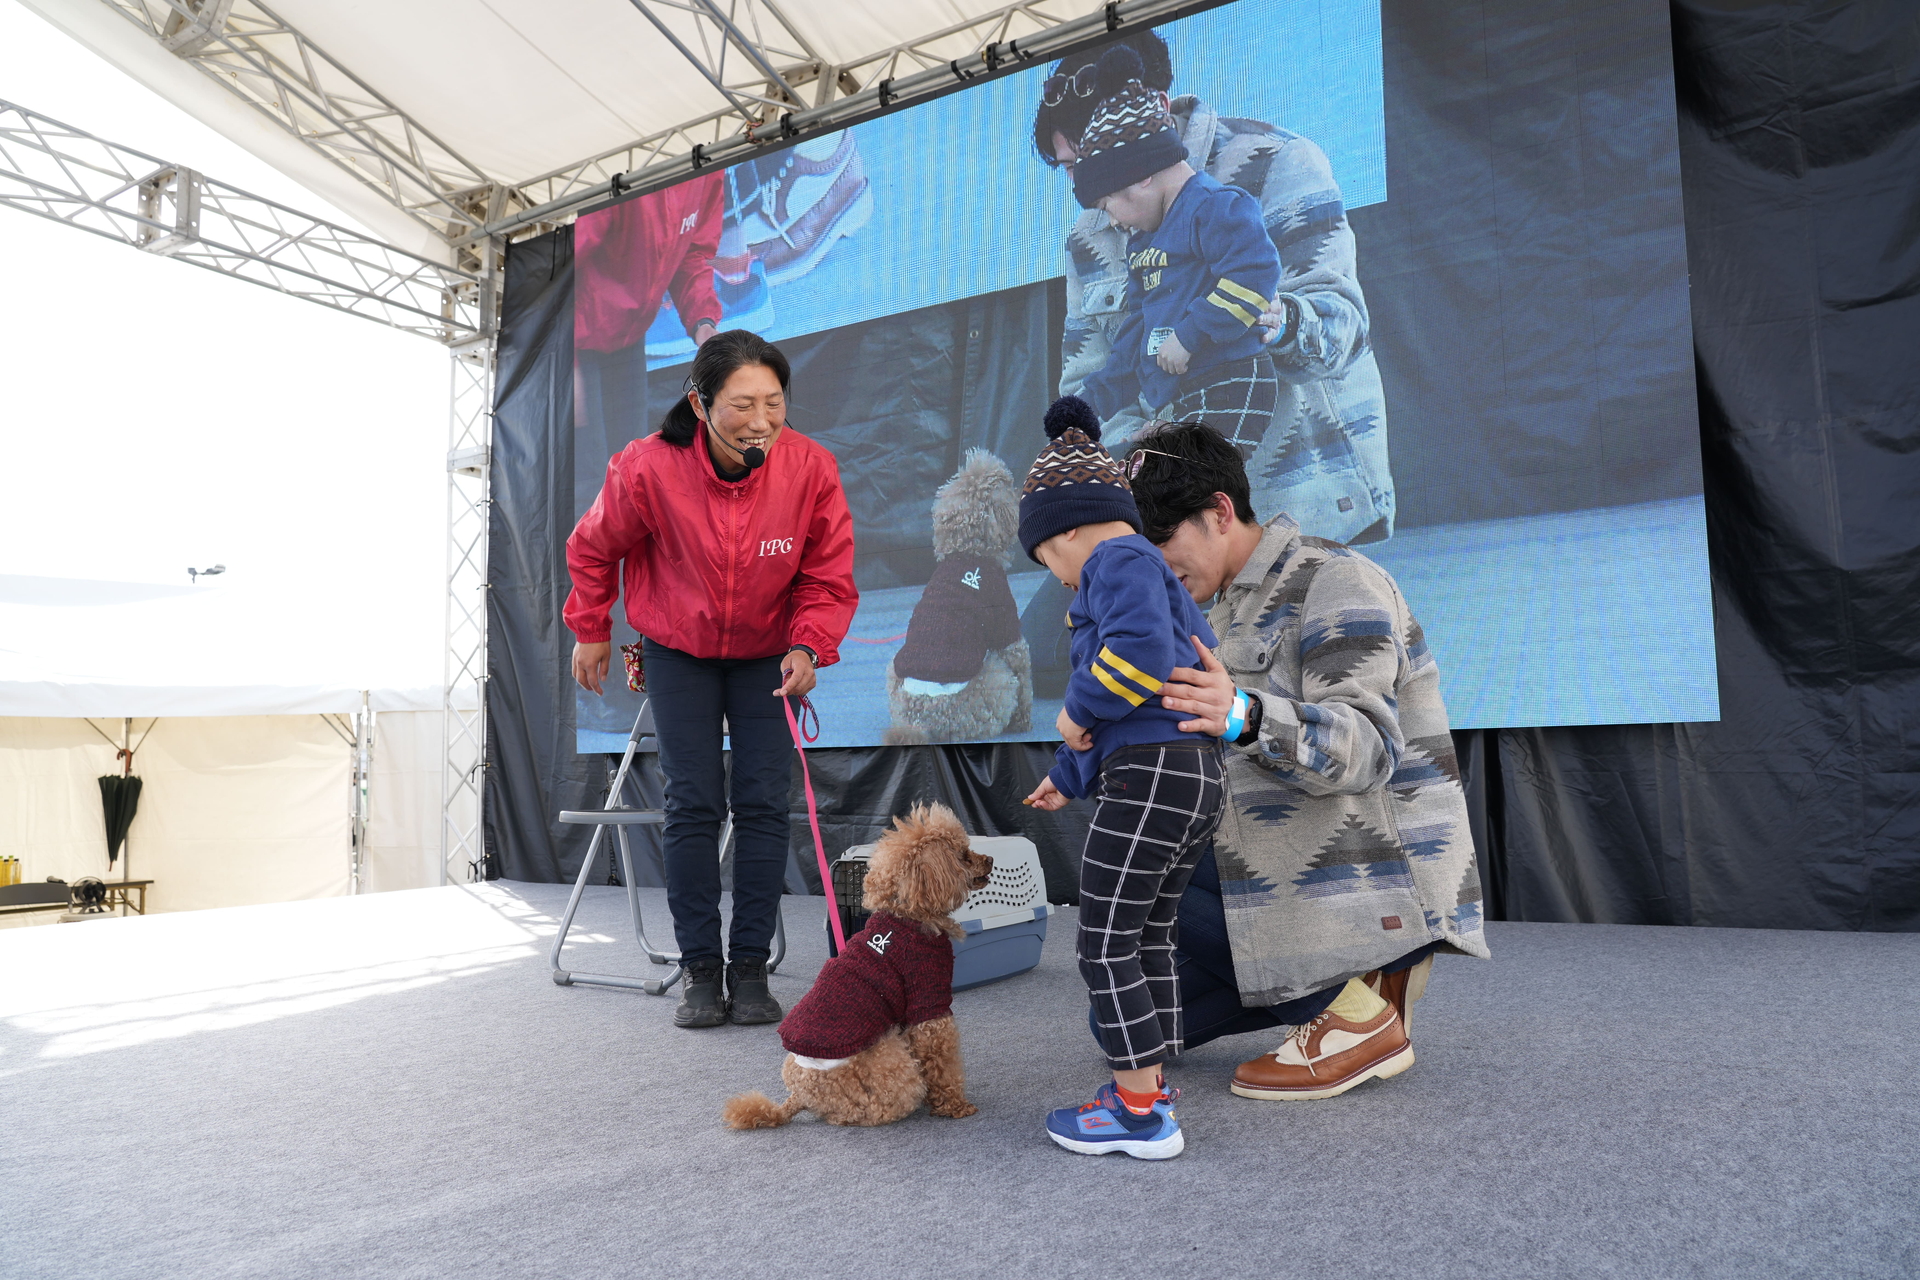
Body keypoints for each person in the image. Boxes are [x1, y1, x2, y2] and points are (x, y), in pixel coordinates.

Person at [1124, 420, 1489, 1100]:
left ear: (1220, 512)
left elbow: (1368, 749)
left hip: (1351, 862)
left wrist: (1242, 715)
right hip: (1264, 856)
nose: (1155, 567)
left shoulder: (1337, 579)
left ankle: (1348, 1016)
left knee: (1140, 862)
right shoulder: (1211, 609)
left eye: (1162, 542)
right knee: (1126, 1022)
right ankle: (1346, 982)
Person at [564, 330, 858, 1030]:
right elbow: (593, 546)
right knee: (693, 805)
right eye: (741, 405)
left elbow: (826, 574)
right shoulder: (648, 467)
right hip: (679, 650)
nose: (761, 420)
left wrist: (808, 646)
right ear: (699, 403)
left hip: (767, 655)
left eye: (774, 403)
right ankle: (701, 968)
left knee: (760, 804)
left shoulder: (809, 469)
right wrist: (592, 625)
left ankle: (749, 966)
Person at [1034, 28, 1393, 546]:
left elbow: (1344, 329)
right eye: (1070, 171)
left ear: (1154, 108)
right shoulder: (1090, 231)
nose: (1087, 197)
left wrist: (1270, 320)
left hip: (1307, 516)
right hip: (1178, 525)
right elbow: (1090, 370)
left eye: (1091, 166)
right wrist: (1136, 456)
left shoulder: (1276, 162)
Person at [1018, 396, 1225, 1161]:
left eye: (1047, 561)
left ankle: (1138, 1113)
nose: (1059, 580)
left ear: (1067, 529)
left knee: (1104, 940)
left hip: (1153, 777)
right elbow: (1164, 673)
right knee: (1150, 934)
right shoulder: (1147, 572)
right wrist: (1069, 776)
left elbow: (1132, 663)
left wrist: (1075, 712)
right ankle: (1152, 1083)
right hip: (1188, 776)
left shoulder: (1117, 560)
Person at [1072, 44, 1283, 464]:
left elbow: (1256, 273)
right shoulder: (1142, 242)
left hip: (1232, 381)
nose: (1112, 221)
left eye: (1107, 204)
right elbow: (1136, 327)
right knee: (1158, 489)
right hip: (1184, 395)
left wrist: (1190, 334)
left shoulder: (1216, 206)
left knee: (1180, 485)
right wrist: (1089, 403)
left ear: (1143, 175)